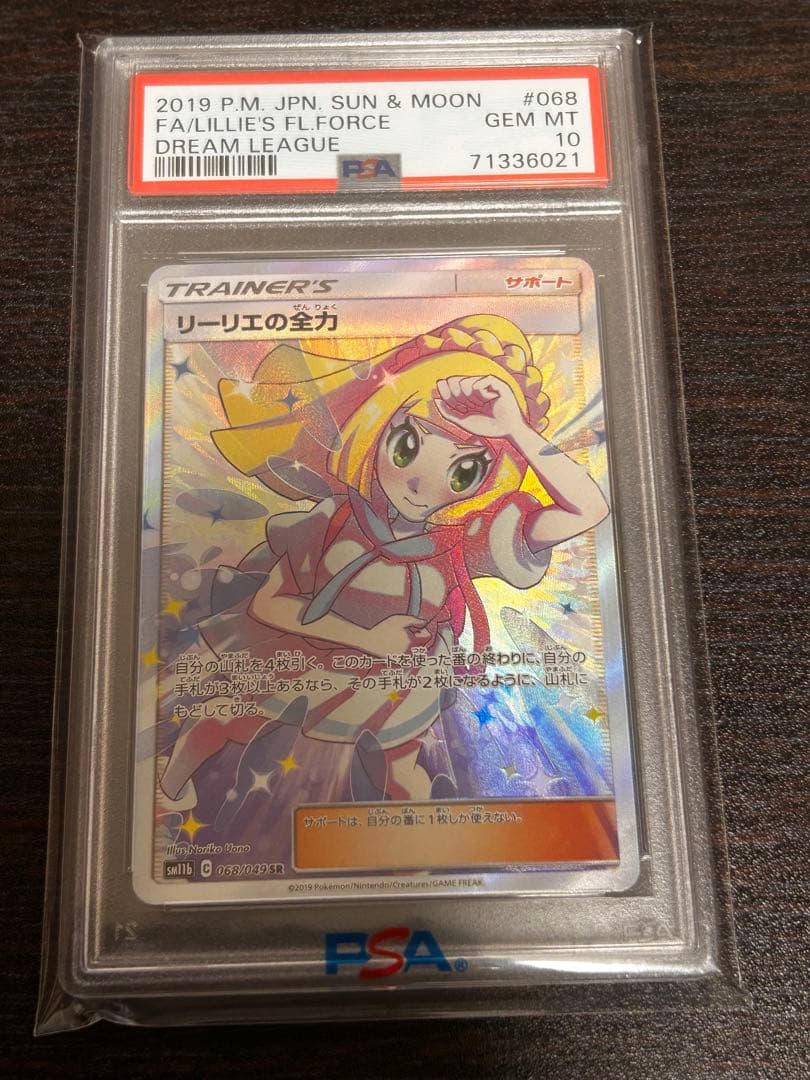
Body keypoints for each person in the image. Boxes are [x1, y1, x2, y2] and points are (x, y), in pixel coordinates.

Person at [160, 315, 609, 817]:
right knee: (223, 721)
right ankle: (166, 795)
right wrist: (367, 638)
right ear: (376, 430)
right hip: (311, 657)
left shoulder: (463, 543)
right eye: (407, 445)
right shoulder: (335, 520)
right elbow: (269, 604)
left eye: (463, 469)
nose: (419, 484)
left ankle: (426, 853)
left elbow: (588, 510)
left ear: (487, 479)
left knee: (401, 772)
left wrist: (516, 429)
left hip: (398, 683)